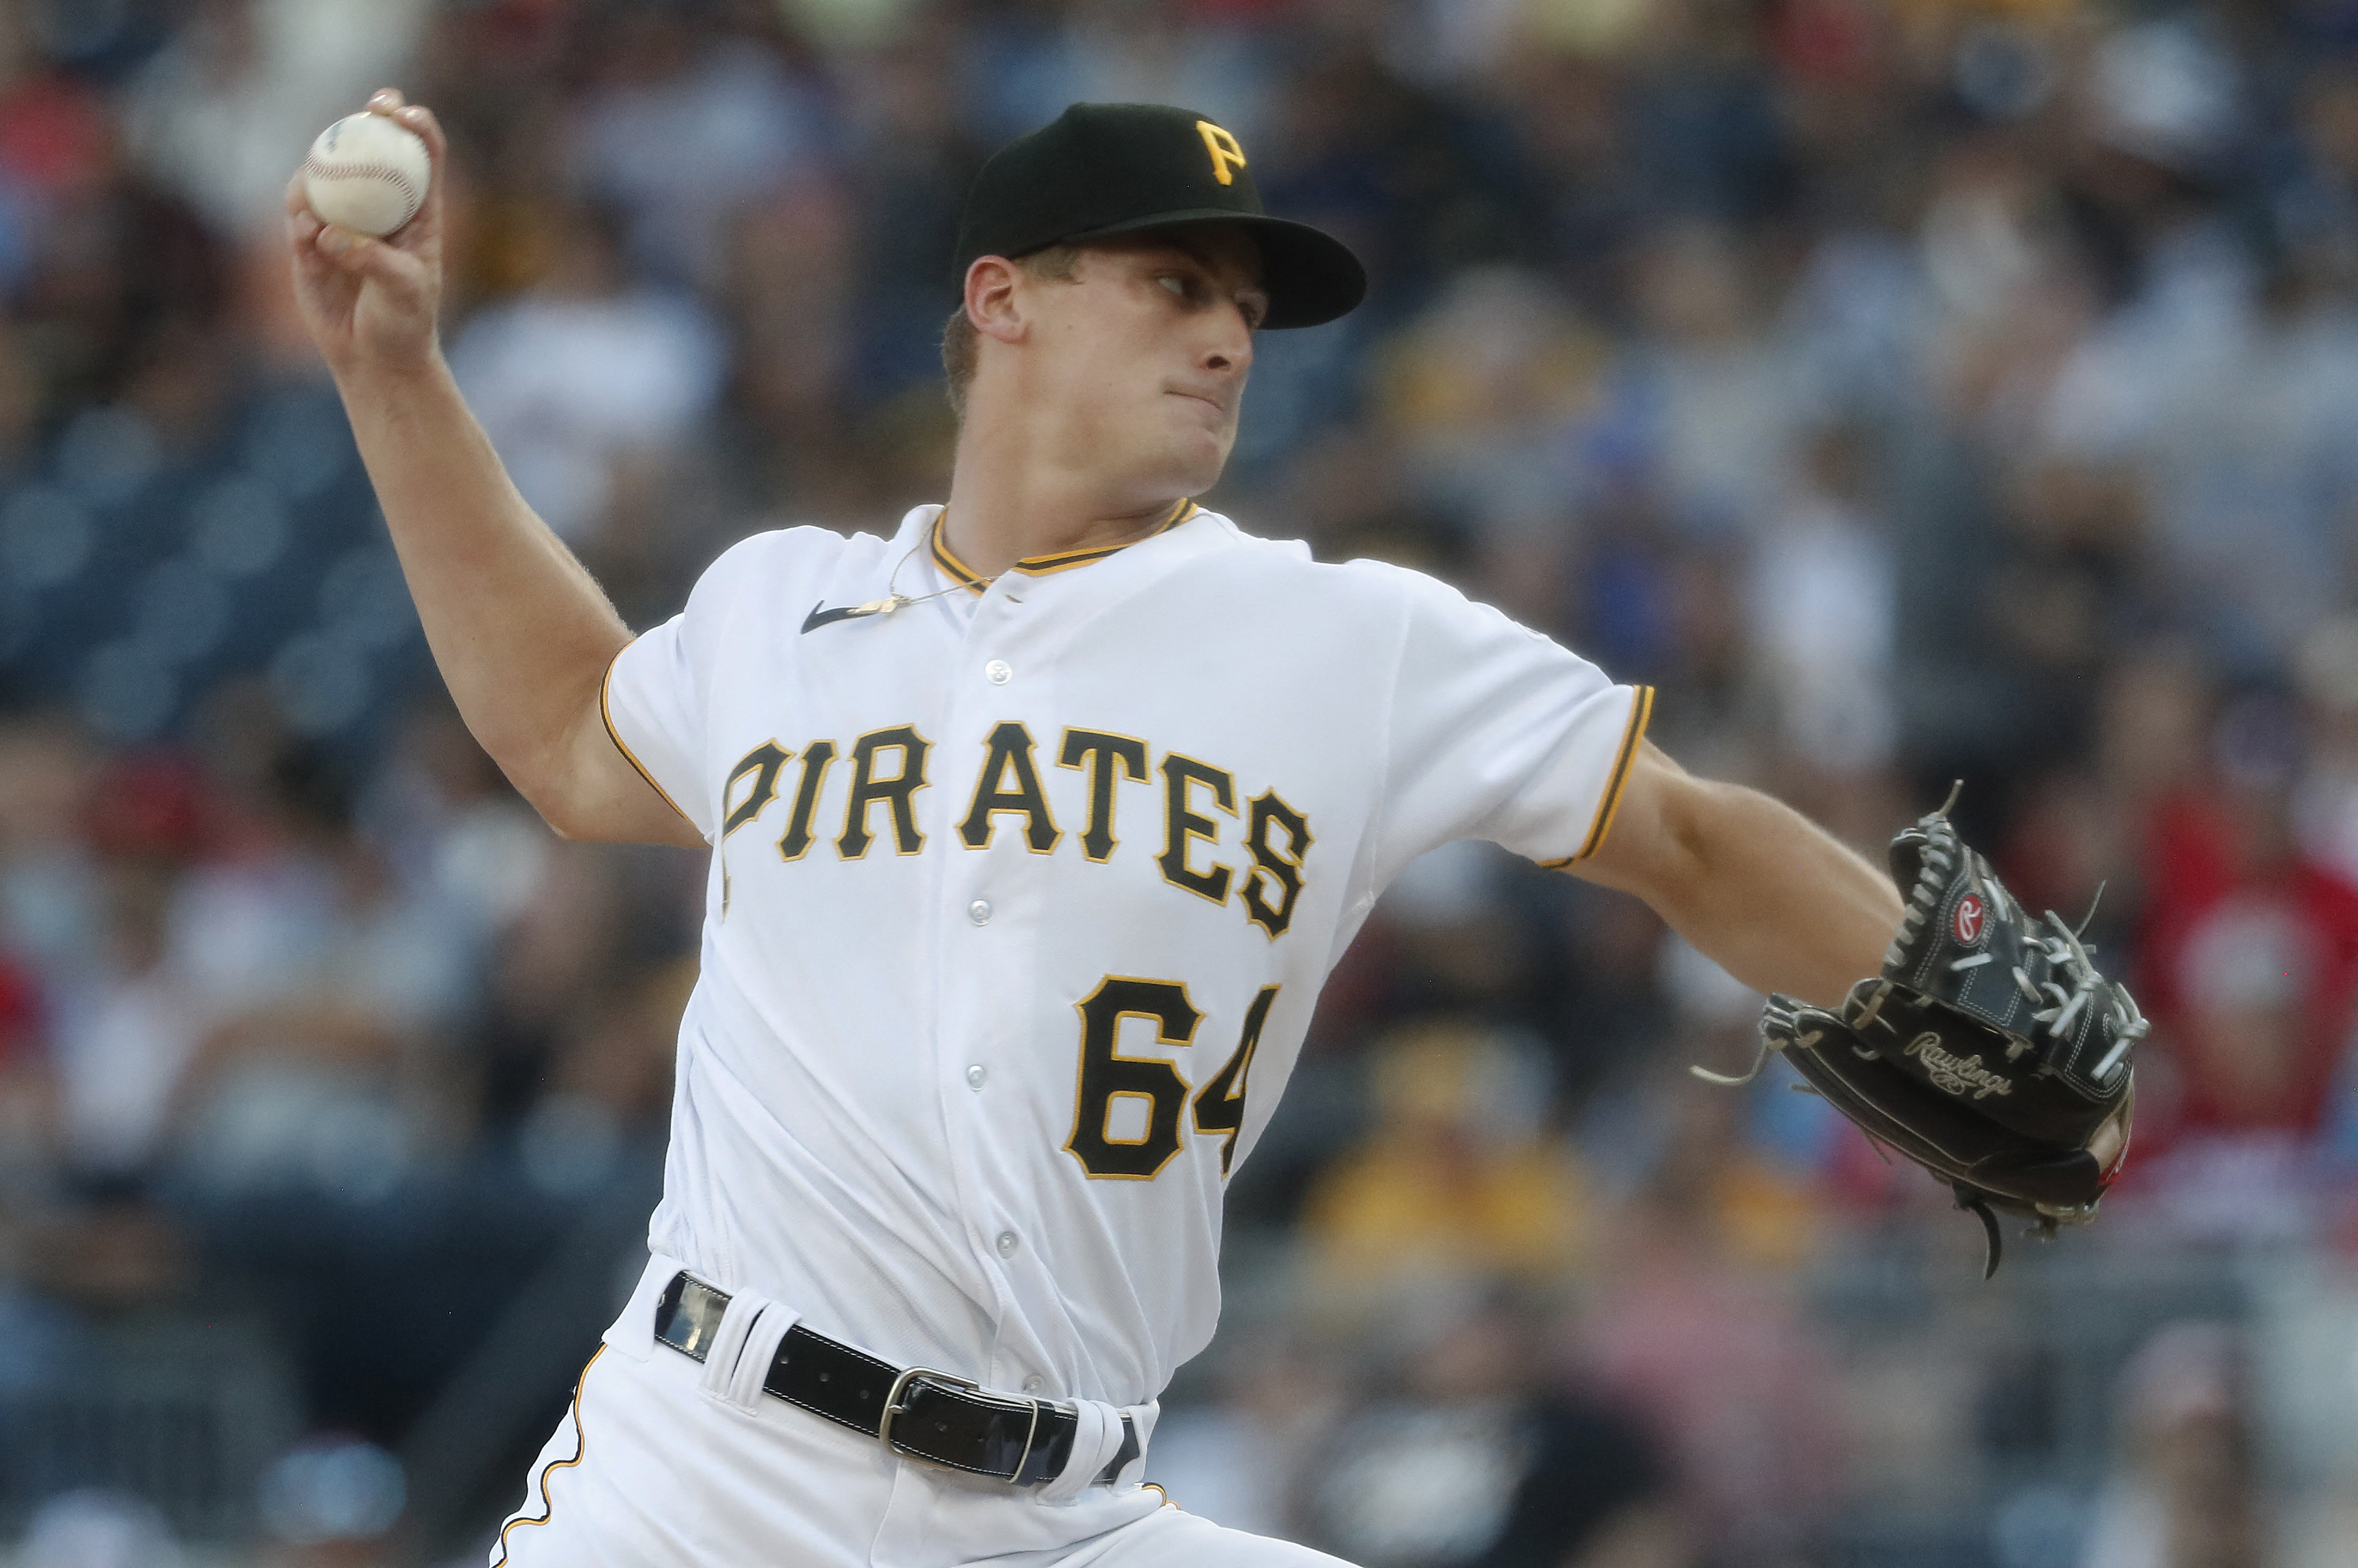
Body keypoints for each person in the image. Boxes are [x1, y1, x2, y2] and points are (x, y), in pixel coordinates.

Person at [287, 91, 1906, 1568]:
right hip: (709, 1472)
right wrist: (394, 375)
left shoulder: (1347, 641)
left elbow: (1689, 837)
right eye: (1176, 287)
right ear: (1005, 300)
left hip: (1066, 1515)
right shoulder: (783, 604)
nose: (1230, 342)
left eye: (1248, 313)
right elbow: (569, 735)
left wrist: (1960, 995)